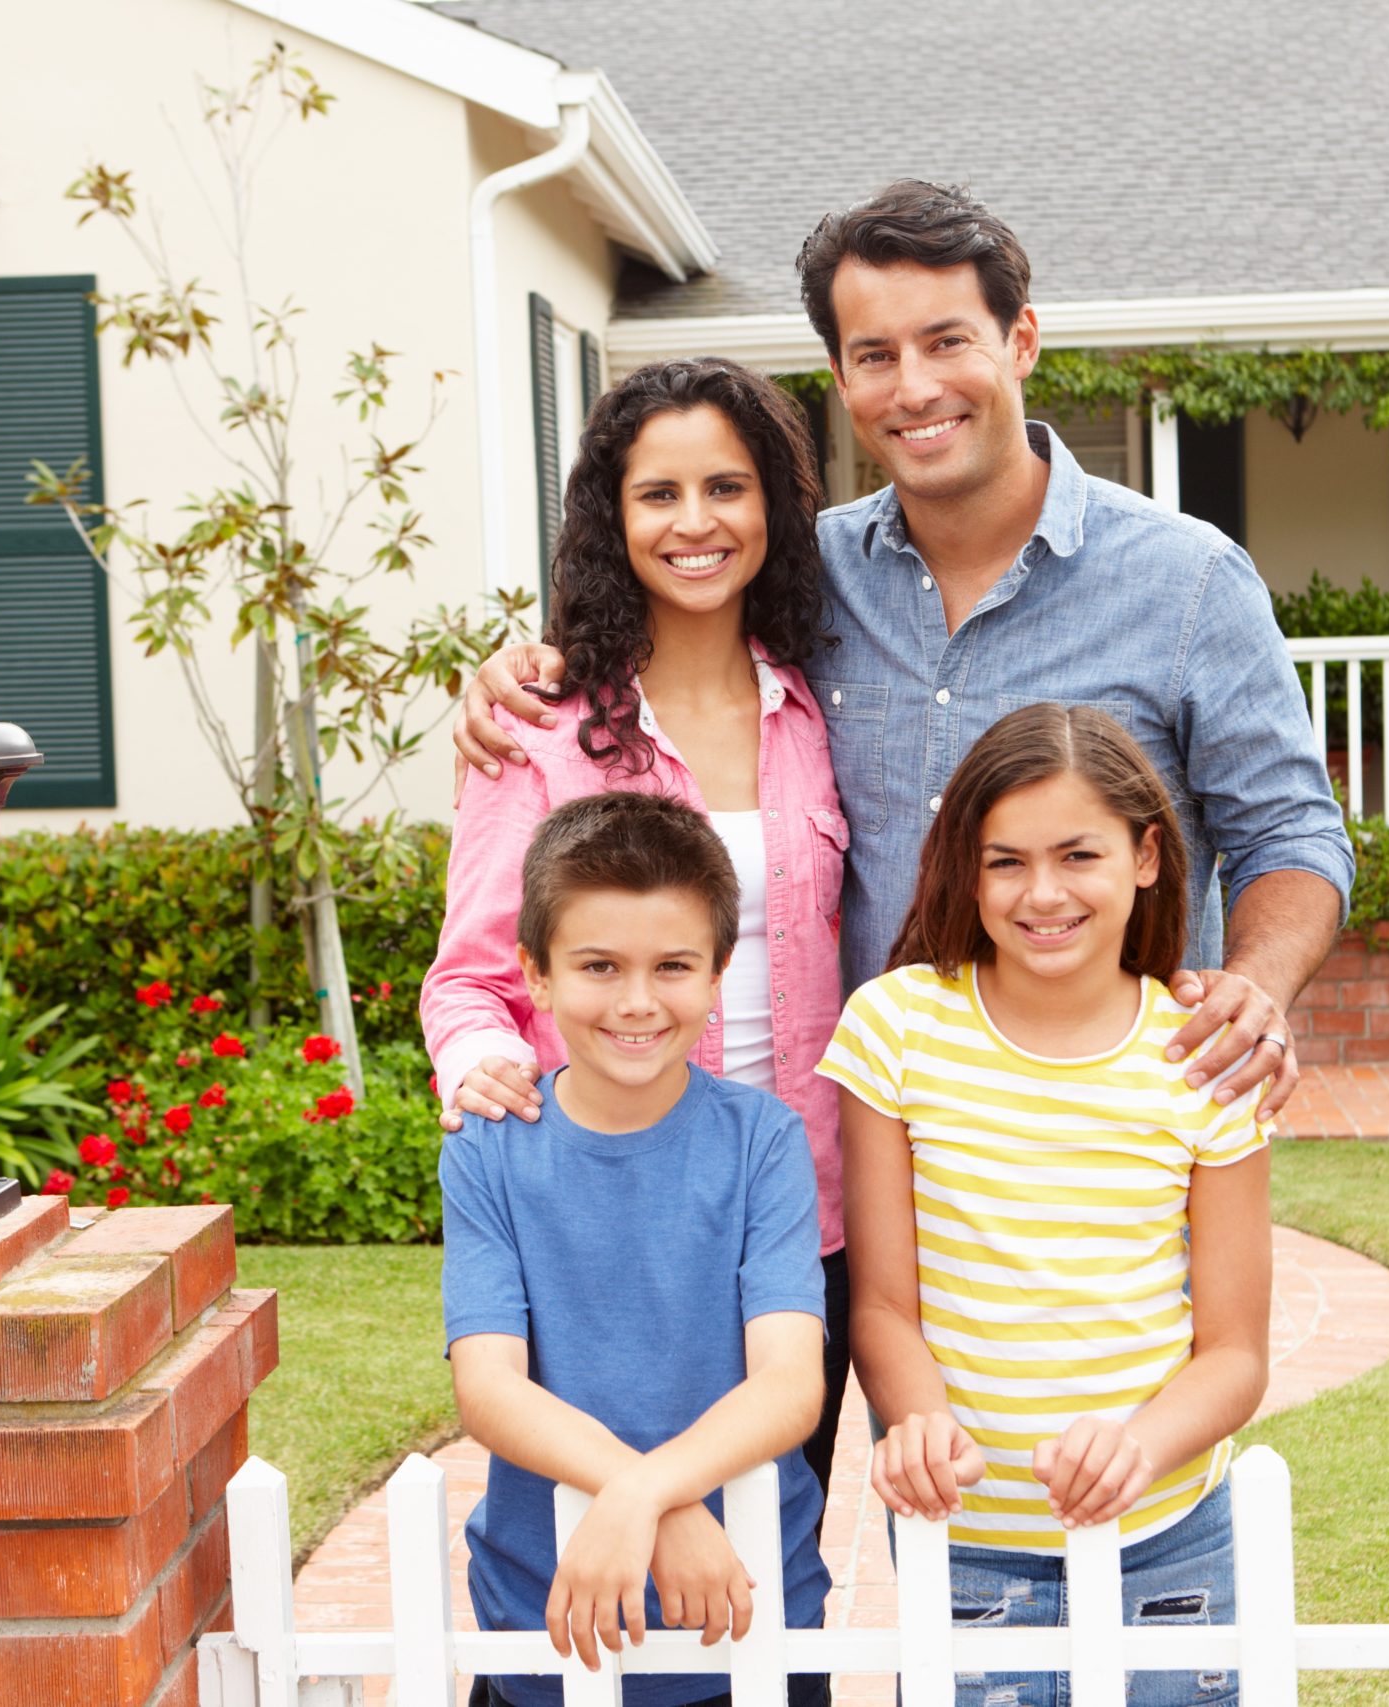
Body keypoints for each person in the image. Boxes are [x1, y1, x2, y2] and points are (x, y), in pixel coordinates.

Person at [453, 180, 1353, 1126]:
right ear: (841, 381)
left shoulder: (1189, 582)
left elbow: (1290, 833)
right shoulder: (804, 576)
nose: (914, 387)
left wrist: (1256, 985)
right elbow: (667, 614)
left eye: (947, 340)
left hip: (1105, 1141)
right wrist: (527, 671)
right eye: (875, 355)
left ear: (1022, 341)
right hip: (868, 1146)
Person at [421, 355, 855, 1512]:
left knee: (773, 1549)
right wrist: (484, 1076)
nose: (695, 522)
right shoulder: (541, 728)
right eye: (658, 494)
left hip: (804, 1207)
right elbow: (468, 979)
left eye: (726, 487)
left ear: (772, 503)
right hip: (611, 1217)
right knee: (598, 1551)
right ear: (612, 520)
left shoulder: (822, 704)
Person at [822, 704, 1272, 1707]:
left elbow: (1235, 1354)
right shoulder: (894, 1029)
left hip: (1167, 1543)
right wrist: (923, 1423)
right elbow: (884, 1307)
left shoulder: (1201, 1058)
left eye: (1079, 855)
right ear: (964, 869)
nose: (1043, 894)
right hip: (970, 1548)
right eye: (1005, 862)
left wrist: (1139, 1449)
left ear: (1146, 854)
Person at [442, 791, 833, 1707]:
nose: (636, 1000)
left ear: (718, 973)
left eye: (672, 966)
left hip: (746, 1606)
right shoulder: (489, 1148)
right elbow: (489, 1386)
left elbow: (789, 1382)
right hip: (546, 1616)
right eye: (598, 965)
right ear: (535, 974)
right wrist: (648, 1496)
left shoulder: (763, 1141)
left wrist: (640, 1496)